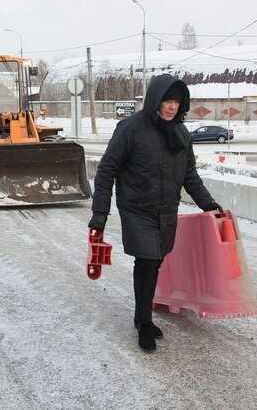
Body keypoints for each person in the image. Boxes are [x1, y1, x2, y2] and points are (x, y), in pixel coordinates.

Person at [89, 74, 222, 353]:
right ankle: (144, 323)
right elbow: (107, 170)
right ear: (154, 100)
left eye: (176, 101)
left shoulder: (181, 134)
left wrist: (209, 205)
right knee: (147, 261)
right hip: (137, 209)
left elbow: (190, 176)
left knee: (156, 261)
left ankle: (141, 316)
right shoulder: (131, 128)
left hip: (166, 211)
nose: (171, 106)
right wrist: (100, 214)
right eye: (166, 100)